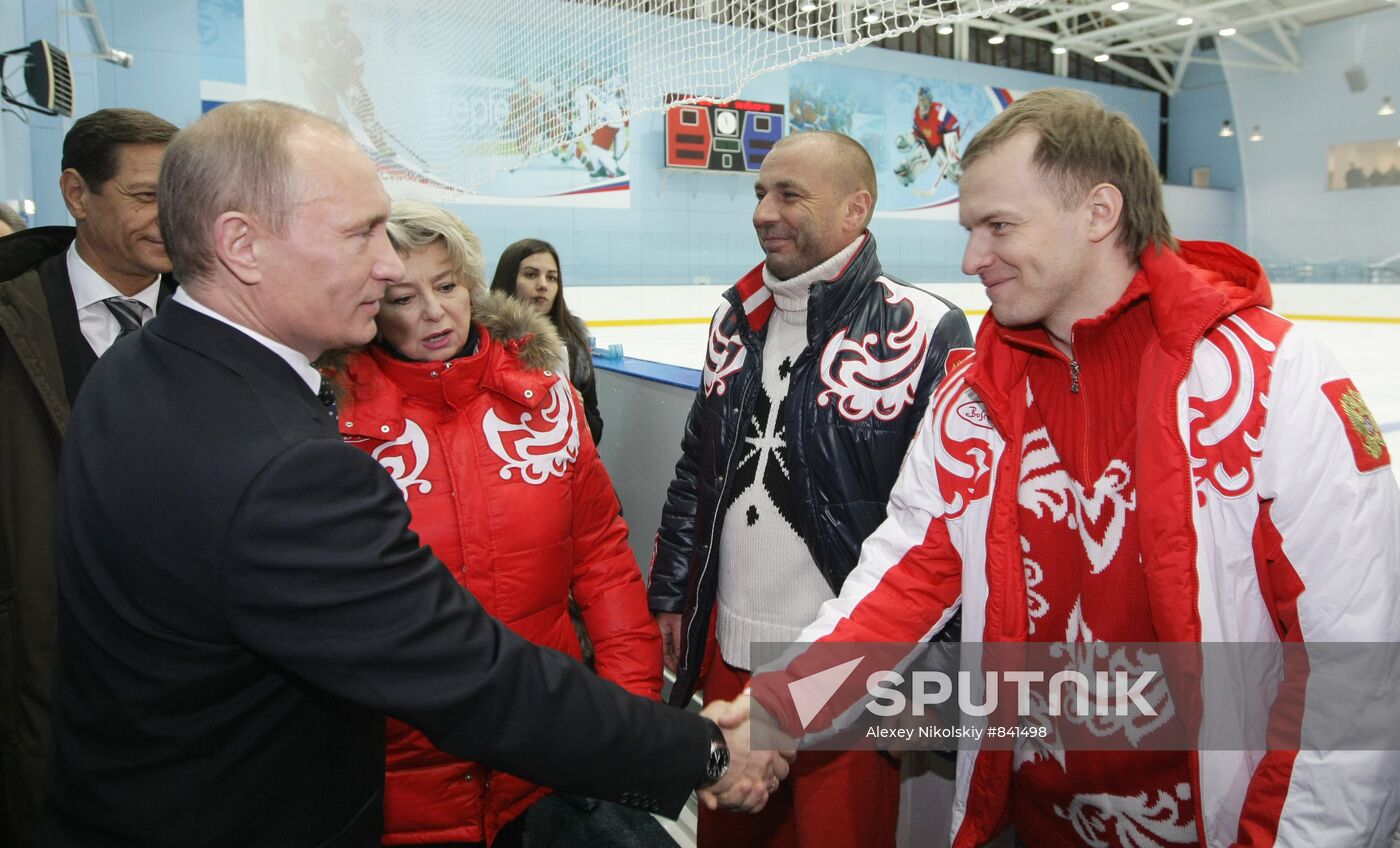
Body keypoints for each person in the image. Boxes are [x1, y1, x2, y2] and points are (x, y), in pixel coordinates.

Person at [40, 99, 789, 847]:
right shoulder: (289, 463)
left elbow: (596, 560)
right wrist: (703, 751)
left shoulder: (140, 366)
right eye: (361, 233)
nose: (390, 263)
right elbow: (469, 673)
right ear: (242, 244)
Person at [748, 88, 1400, 846]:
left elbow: (1350, 672)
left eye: (998, 227)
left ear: (1099, 212)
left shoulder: (1273, 383)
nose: (971, 259)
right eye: (969, 229)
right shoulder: (974, 397)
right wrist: (781, 708)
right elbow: (901, 579)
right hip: (1029, 825)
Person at [648, 130, 974, 848]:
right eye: (760, 193)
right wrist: (673, 587)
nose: (764, 211)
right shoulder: (731, 318)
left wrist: (939, 676)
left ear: (857, 208)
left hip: (850, 672)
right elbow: (695, 467)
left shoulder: (926, 331)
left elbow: (949, 523)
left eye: (789, 193)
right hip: (729, 658)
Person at [328, 201, 661, 845]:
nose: (433, 311)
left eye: (447, 286)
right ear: (369, 304)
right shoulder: (327, 424)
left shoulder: (546, 399)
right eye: (402, 296)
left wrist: (632, 710)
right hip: (400, 784)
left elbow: (603, 561)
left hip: (546, 759)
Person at [0, 106, 177, 848]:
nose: (169, 217)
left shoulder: (230, 322)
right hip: (39, 679)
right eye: (144, 196)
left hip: (184, 697)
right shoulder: (12, 320)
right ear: (77, 193)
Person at [490, 238, 603, 444]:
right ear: (508, 278)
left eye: (552, 278)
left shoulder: (573, 343)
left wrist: (577, 408)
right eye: (531, 275)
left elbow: (596, 432)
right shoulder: (483, 342)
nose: (543, 285)